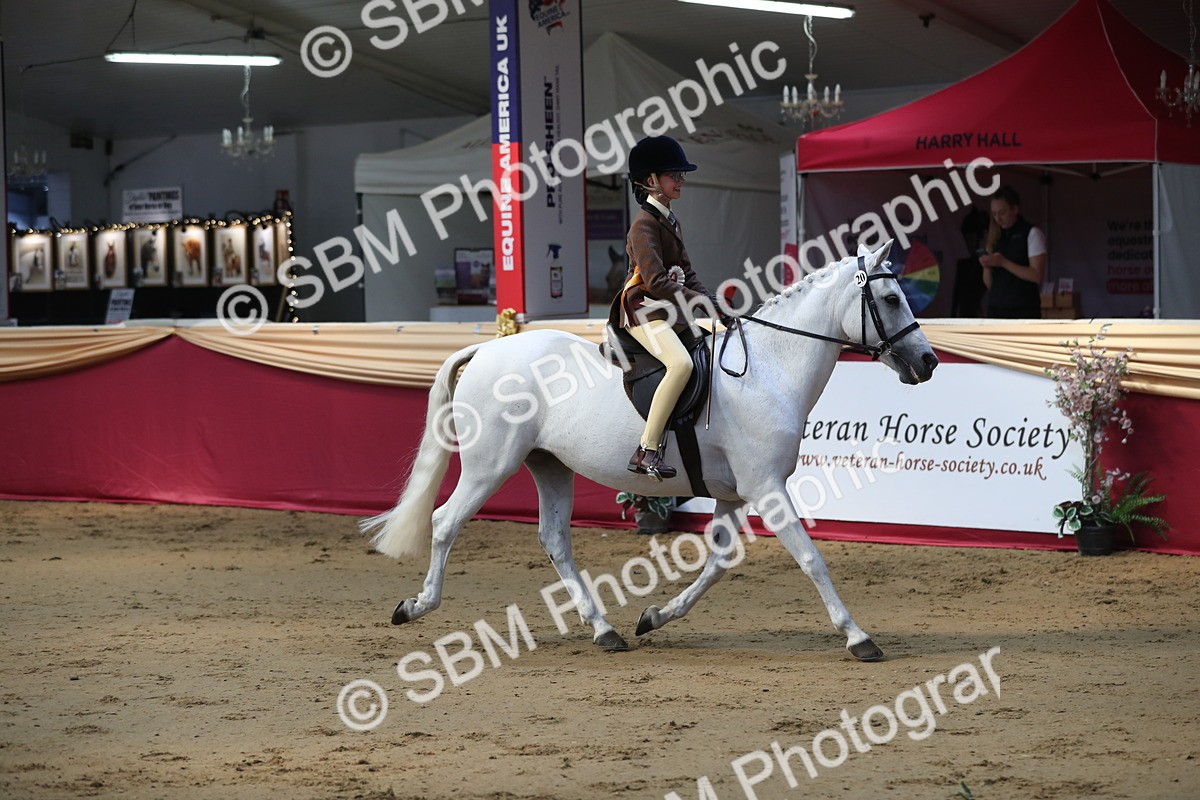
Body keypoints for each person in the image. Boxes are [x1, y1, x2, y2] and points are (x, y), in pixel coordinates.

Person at [610, 135, 714, 481]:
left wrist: (714, 305)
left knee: (718, 338)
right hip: (641, 308)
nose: (681, 180)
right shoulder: (643, 224)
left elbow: (687, 274)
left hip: (666, 307)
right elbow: (655, 281)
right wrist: (698, 303)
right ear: (652, 181)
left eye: (681, 175)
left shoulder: (670, 220)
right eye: (674, 175)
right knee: (681, 363)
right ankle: (647, 449)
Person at [978, 185, 1047, 318]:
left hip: (1023, 309)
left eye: (1002, 213)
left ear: (1014, 209)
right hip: (996, 309)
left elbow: (1036, 275)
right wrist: (986, 267)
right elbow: (990, 285)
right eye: (994, 214)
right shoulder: (995, 237)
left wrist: (1003, 262)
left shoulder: (1031, 233)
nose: (998, 218)